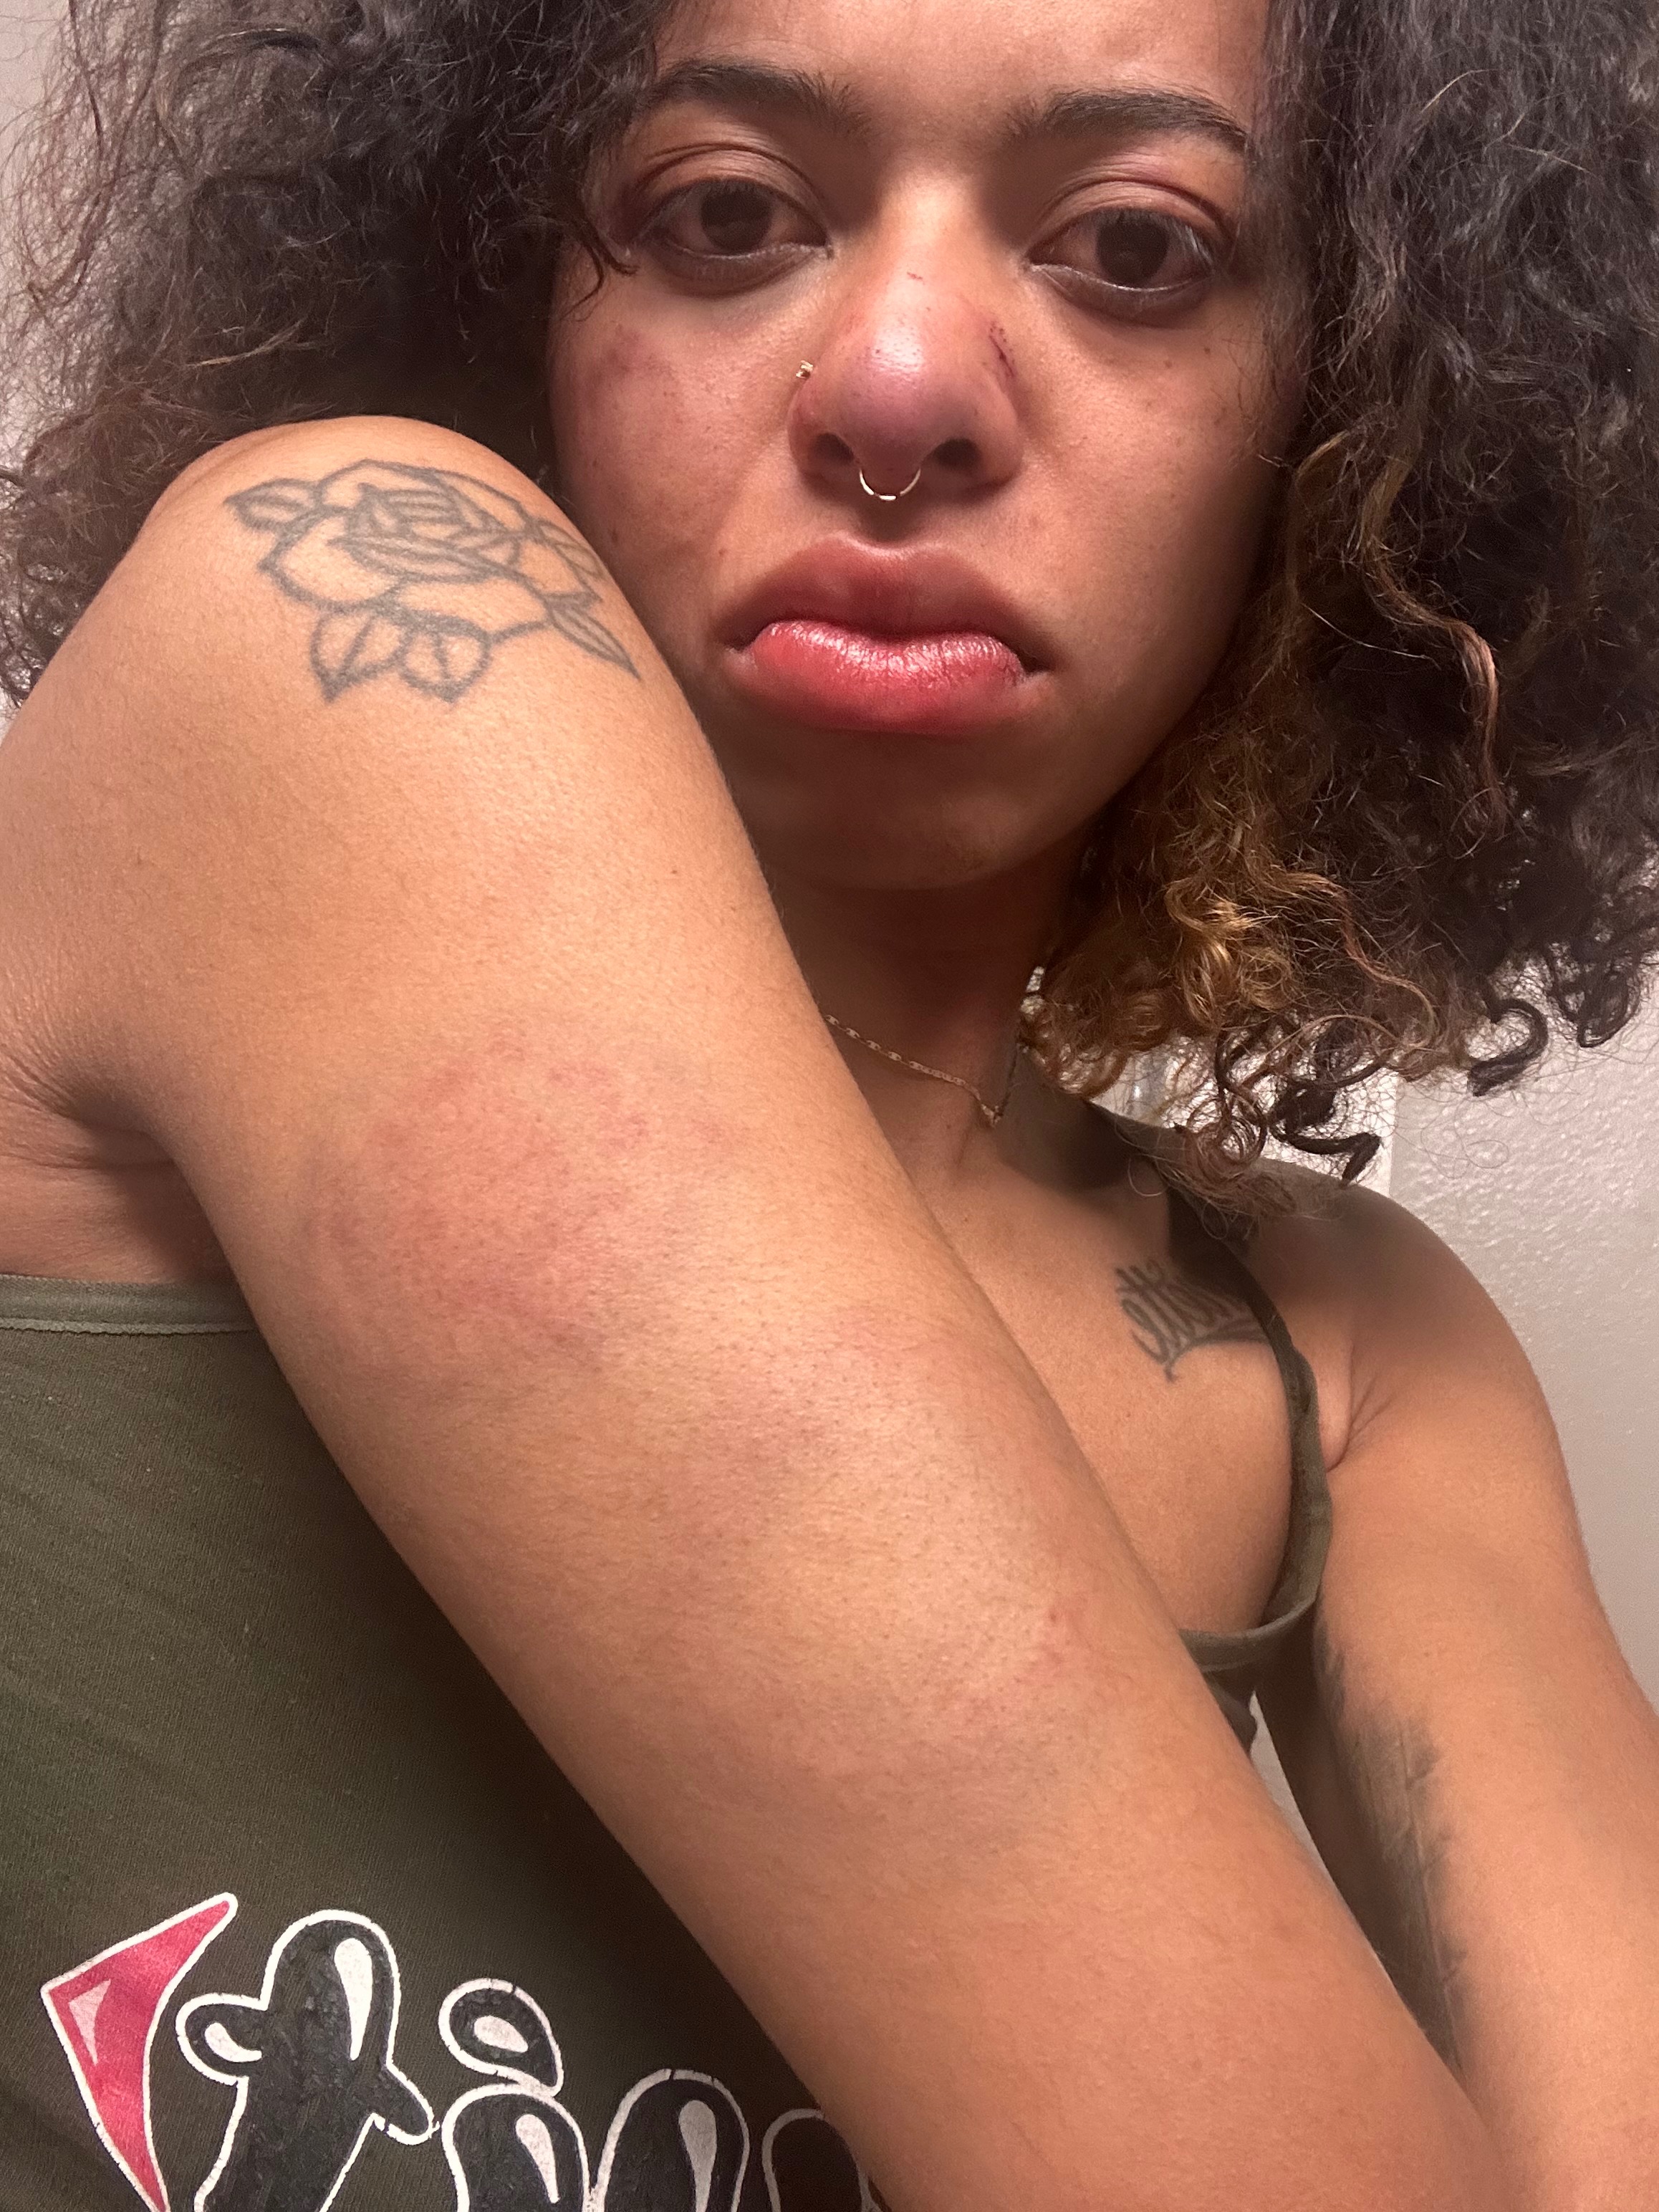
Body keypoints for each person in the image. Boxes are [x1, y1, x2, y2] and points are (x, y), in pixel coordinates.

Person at [1, 0, 1656, 2203]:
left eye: (1134, 251)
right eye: (723, 215)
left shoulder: (1346, 1350)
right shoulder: (341, 606)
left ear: (1355, 418)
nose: (894, 388)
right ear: (503, 286)